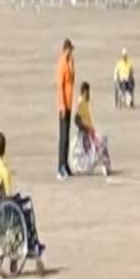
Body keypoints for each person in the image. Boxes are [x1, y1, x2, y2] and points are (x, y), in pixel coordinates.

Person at [0, 132, 45, 258]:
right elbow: (8, 195)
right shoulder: (4, 170)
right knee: (26, 209)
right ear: (4, 149)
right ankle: (31, 246)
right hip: (5, 213)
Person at [74, 81, 111, 175]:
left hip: (90, 129)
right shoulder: (81, 102)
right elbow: (77, 119)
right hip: (86, 131)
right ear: (85, 91)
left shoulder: (84, 102)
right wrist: (86, 128)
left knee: (101, 143)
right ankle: (103, 164)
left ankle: (105, 164)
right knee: (99, 145)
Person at [56, 38, 75, 180]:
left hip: (69, 103)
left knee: (67, 137)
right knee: (63, 137)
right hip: (64, 105)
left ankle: (66, 164)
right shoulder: (62, 63)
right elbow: (60, 87)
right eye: (69, 50)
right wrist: (62, 106)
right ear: (65, 49)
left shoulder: (69, 62)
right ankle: (60, 166)